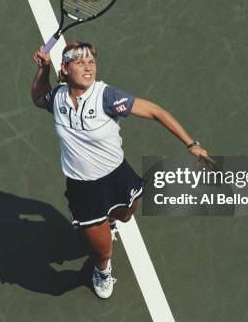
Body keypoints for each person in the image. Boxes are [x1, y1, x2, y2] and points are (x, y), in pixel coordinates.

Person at [31, 41, 212, 299]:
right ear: (66, 67)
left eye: (91, 62)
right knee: (103, 251)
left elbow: (155, 111)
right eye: (80, 62)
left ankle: (111, 222)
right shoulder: (57, 98)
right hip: (84, 188)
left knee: (126, 216)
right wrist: (42, 70)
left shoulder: (106, 96)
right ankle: (102, 270)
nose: (88, 67)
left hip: (118, 177)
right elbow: (39, 97)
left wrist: (190, 143)